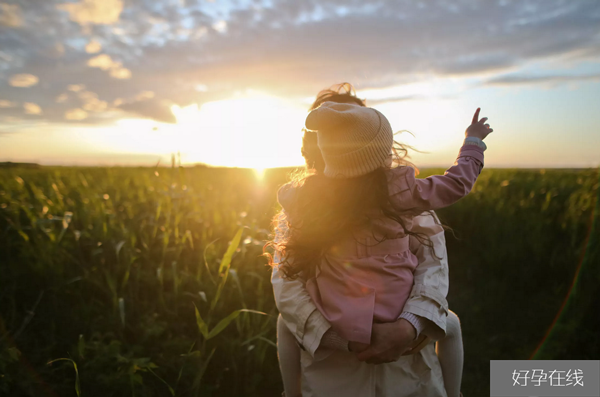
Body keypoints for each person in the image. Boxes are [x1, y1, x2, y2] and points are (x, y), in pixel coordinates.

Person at [268, 83, 492, 397]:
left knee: (284, 325)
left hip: (406, 364)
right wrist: (472, 143)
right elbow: (287, 285)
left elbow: (433, 267)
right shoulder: (403, 194)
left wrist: (407, 327)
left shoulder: (305, 201)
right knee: (450, 323)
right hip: (333, 367)